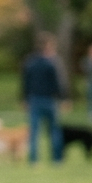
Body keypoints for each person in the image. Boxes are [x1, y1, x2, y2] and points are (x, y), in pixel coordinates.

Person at [20, 32, 68, 164]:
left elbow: (25, 82)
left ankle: (34, 160)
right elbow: (59, 82)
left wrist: (24, 98)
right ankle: (57, 159)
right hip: (49, 100)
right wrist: (64, 98)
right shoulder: (53, 63)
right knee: (54, 131)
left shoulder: (30, 62)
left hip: (34, 99)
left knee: (34, 132)